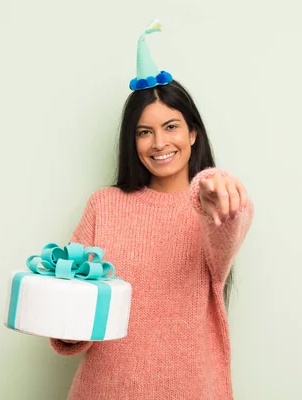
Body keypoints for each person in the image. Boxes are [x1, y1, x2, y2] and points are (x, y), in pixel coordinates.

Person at [49, 20, 254, 400]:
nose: (159, 143)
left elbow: (229, 226)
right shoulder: (104, 205)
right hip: (103, 390)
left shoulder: (209, 208)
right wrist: (61, 318)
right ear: (133, 140)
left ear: (193, 133)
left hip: (189, 390)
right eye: (144, 132)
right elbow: (73, 311)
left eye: (171, 126)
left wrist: (219, 189)